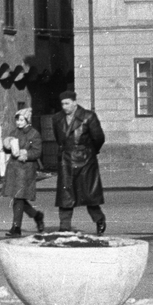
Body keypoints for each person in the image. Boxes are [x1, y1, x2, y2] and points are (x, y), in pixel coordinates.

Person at [50, 90, 106, 234]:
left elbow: (98, 138)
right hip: (66, 162)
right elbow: (59, 139)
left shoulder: (88, 116)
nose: (64, 107)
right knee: (65, 197)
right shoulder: (57, 118)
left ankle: (99, 219)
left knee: (89, 196)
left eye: (67, 103)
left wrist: (89, 152)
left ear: (75, 103)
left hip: (86, 162)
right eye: (62, 104)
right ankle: (64, 228)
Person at [2, 107, 46, 237]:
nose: (19, 123)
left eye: (21, 120)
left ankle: (16, 227)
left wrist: (26, 154)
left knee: (18, 198)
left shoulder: (34, 134)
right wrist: (6, 146)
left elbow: (37, 152)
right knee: (18, 198)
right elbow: (8, 150)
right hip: (14, 169)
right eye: (17, 120)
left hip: (26, 169)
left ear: (27, 120)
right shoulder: (14, 132)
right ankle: (36, 215)